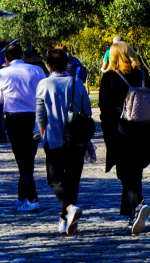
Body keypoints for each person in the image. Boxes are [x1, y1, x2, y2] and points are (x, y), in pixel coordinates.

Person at [99, 41, 150, 235]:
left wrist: (106, 133)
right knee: (135, 173)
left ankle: (137, 205)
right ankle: (132, 214)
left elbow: (105, 108)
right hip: (143, 131)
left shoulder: (110, 77)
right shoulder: (143, 76)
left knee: (125, 174)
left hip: (122, 131)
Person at [36, 48, 93, 235]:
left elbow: (41, 115)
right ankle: (65, 220)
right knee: (72, 180)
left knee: (54, 179)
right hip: (77, 140)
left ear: (49, 65)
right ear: (66, 64)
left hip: (54, 140)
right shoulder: (77, 83)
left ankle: (68, 210)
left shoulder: (43, 84)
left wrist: (43, 136)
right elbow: (88, 113)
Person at [0, 43, 46, 212]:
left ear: (6, 59)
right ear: (23, 56)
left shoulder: (1, 73)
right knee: (28, 157)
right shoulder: (37, 70)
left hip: (14, 118)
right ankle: (22, 195)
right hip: (35, 117)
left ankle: (32, 198)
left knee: (22, 158)